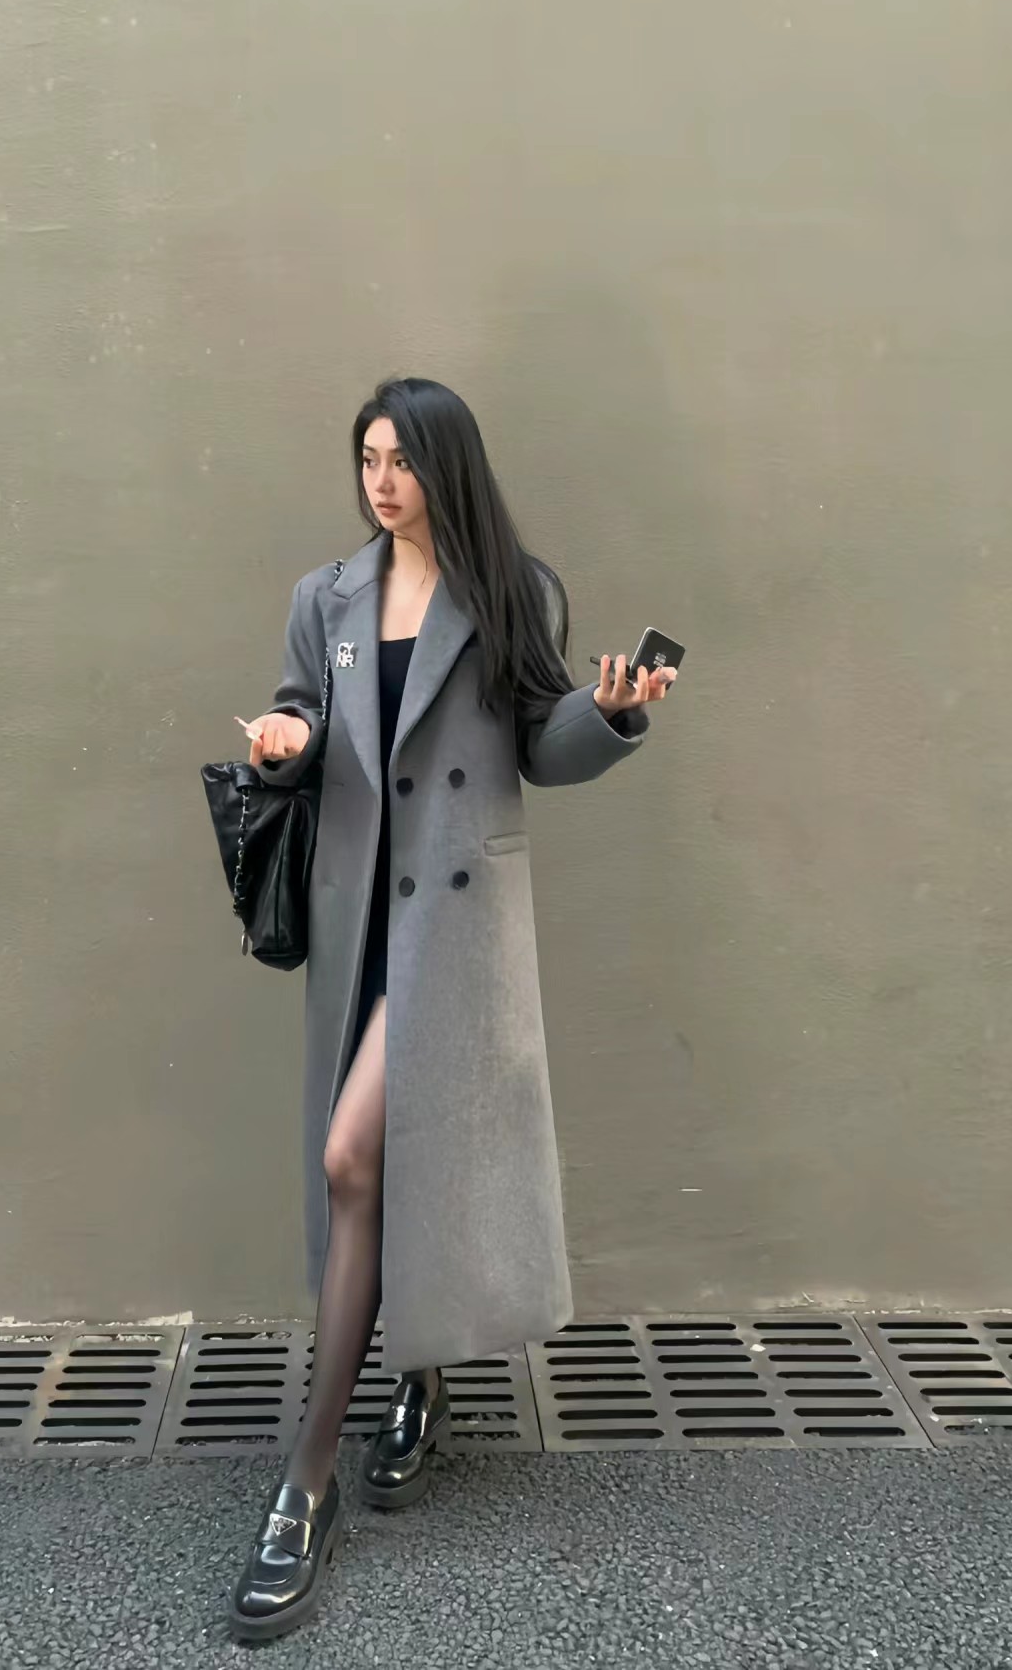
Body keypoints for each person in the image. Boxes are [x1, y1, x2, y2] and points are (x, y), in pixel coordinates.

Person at [226, 377, 676, 1641]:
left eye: (402, 460)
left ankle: (303, 1487)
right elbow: (305, 712)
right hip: (356, 919)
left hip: (451, 927)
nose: (380, 482)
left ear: (446, 465)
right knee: (384, 1163)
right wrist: (283, 739)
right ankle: (415, 1386)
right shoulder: (326, 596)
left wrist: (610, 715)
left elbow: (539, 738)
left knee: (352, 1157)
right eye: (366, 458)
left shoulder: (511, 591)